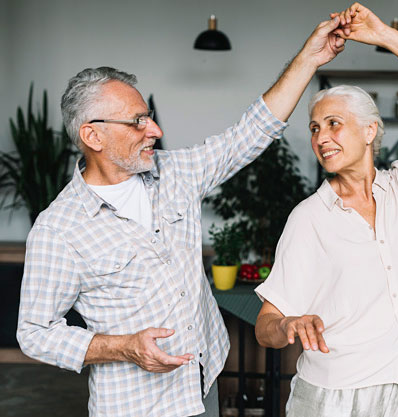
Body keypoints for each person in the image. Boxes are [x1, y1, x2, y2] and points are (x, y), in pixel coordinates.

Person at [15, 16, 349, 417]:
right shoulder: (59, 229)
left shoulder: (176, 173)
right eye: (137, 121)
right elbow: (34, 333)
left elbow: (252, 130)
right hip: (134, 405)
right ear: (93, 136)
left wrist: (311, 58)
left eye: (149, 116)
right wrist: (122, 347)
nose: (154, 129)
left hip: (201, 383)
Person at [254, 3, 398, 416]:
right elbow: (266, 324)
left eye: (334, 124)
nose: (321, 137)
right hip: (339, 392)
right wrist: (287, 325)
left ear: (370, 130)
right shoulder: (309, 218)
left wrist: (384, 36)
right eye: (314, 128)